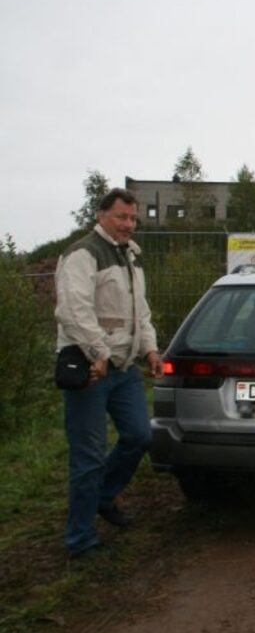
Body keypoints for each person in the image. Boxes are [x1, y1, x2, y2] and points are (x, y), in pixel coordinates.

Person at [54, 188, 163, 557]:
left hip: (123, 365)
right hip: (90, 368)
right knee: (89, 455)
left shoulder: (131, 256)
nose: (128, 224)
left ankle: (102, 497)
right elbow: (73, 311)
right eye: (121, 217)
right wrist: (97, 351)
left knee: (139, 436)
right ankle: (80, 539)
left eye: (133, 218)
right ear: (101, 215)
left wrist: (150, 349)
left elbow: (140, 312)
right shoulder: (82, 254)